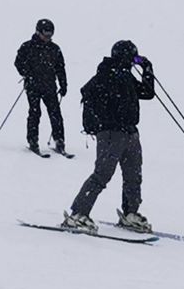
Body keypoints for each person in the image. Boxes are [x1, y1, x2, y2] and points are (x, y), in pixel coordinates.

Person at [62, 40, 155, 233]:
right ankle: (78, 214)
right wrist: (103, 122)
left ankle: (131, 213)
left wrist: (147, 68)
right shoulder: (107, 73)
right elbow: (88, 91)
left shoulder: (125, 76)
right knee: (102, 175)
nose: (133, 61)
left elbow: (147, 93)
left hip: (130, 132)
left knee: (133, 175)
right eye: (132, 57)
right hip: (111, 133)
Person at [14, 19, 69, 156]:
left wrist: (63, 84)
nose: (48, 38)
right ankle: (33, 140)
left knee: (55, 113)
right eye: (45, 35)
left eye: (50, 35)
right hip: (33, 86)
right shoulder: (27, 47)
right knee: (35, 112)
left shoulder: (54, 49)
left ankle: (59, 141)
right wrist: (28, 73)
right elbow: (18, 63)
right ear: (38, 32)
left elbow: (60, 68)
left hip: (50, 86)